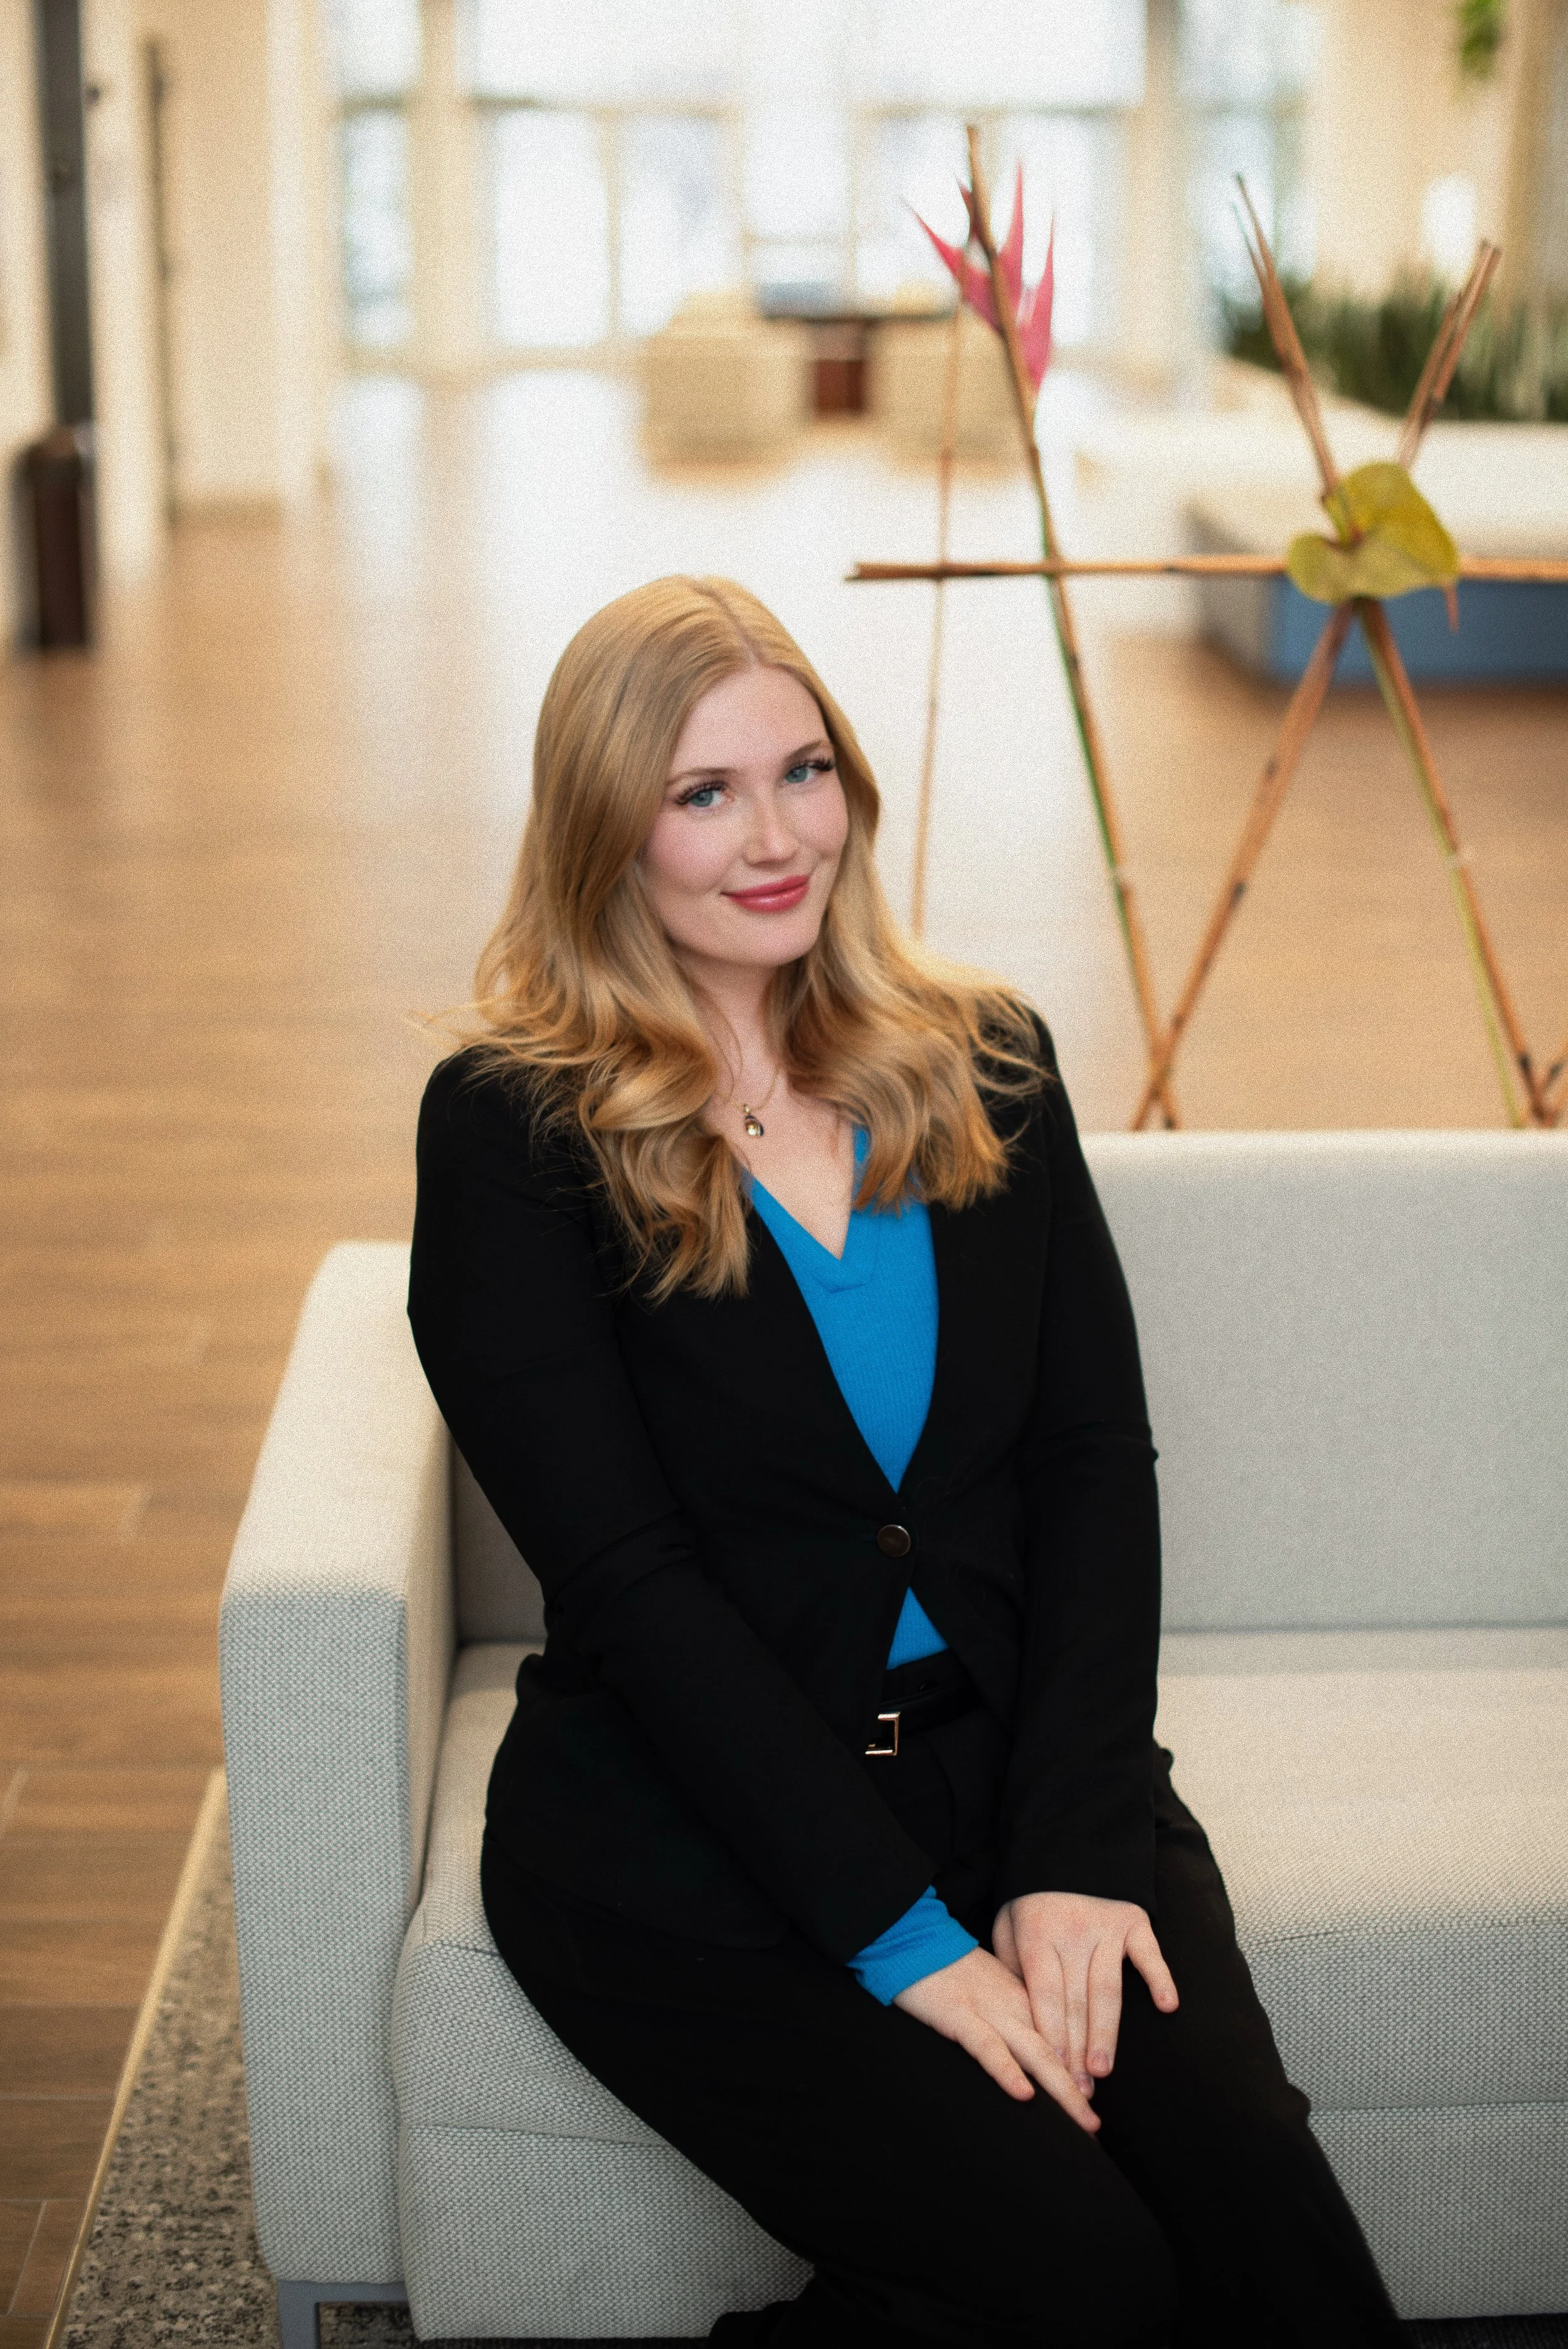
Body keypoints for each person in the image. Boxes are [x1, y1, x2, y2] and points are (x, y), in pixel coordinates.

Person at [407, 576, 1403, 2349]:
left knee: (1273, 2242)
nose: (776, 836)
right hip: (697, 1839)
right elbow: (633, 1588)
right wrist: (906, 1944)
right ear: (599, 831)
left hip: (1019, 1769)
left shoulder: (983, 1062)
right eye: (701, 794)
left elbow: (1093, 1465)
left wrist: (1076, 1850)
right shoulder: (512, 1130)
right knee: (1083, 2279)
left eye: (804, 771)